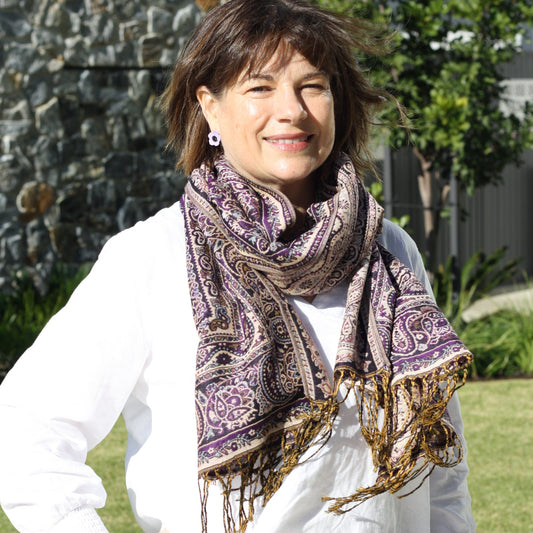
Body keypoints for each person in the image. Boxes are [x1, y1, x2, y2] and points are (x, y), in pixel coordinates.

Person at [0, 1, 476, 532]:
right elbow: (29, 430)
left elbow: (441, 467)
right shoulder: (152, 256)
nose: (292, 110)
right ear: (210, 106)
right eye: (259, 87)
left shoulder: (387, 250)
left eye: (312, 85)